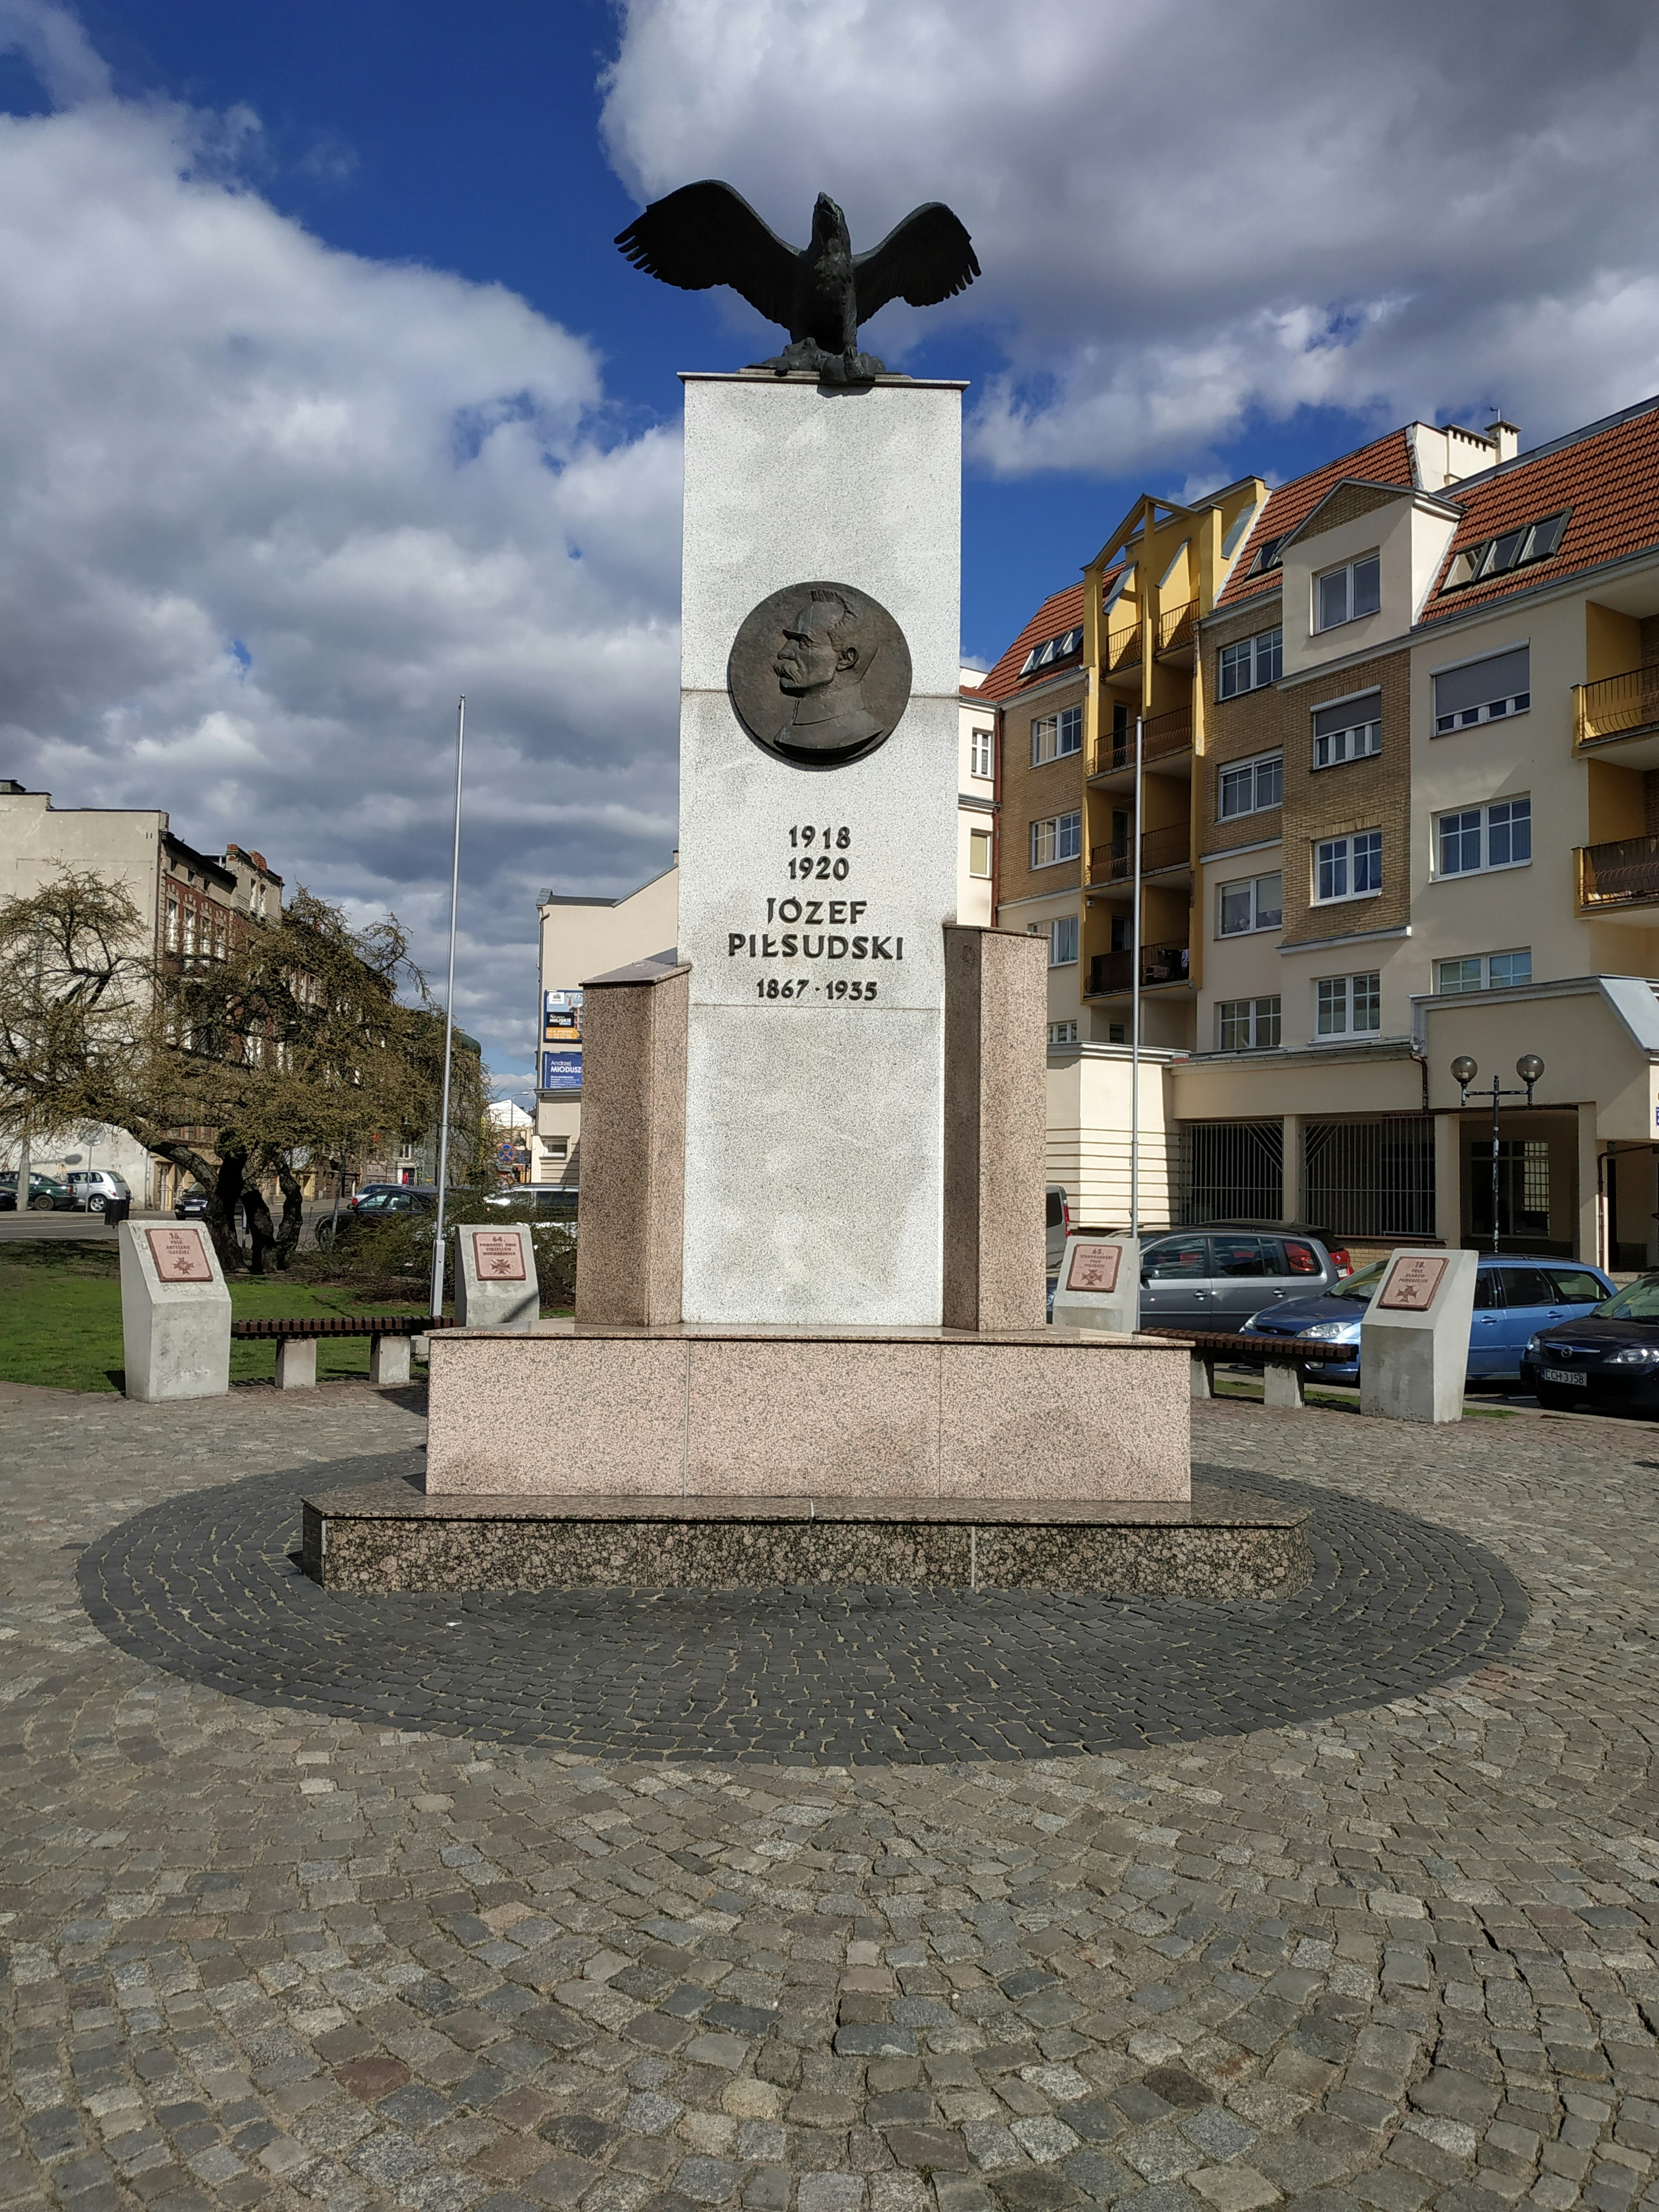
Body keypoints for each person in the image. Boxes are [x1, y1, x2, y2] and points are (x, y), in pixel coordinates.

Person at [771, 589, 885, 754]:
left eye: (803, 643)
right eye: (791, 641)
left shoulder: (857, 732)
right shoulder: (789, 730)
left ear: (846, 659)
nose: (784, 653)